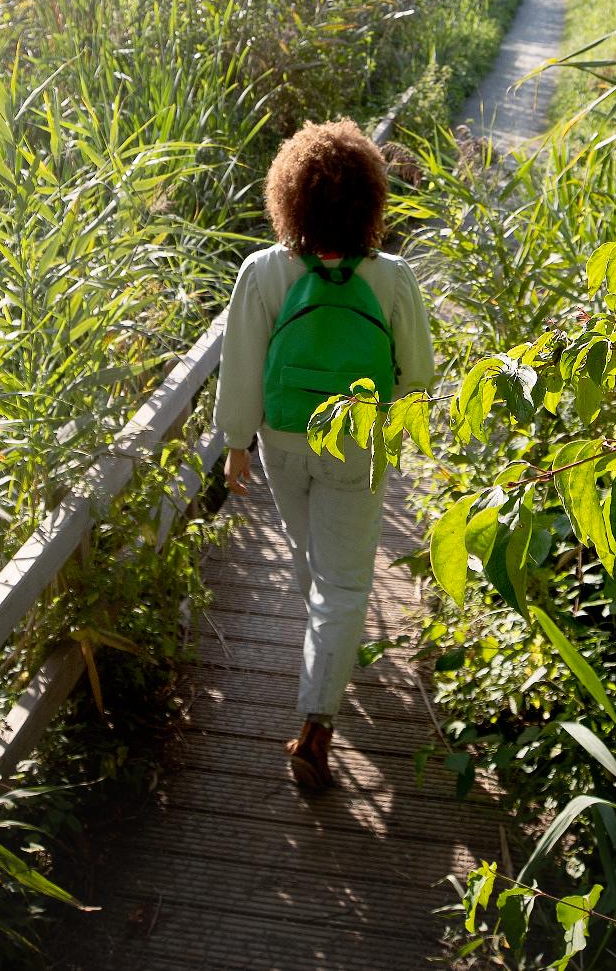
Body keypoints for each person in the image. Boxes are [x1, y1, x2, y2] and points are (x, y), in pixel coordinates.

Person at [213, 118, 435, 792]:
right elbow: (419, 374)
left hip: (281, 439)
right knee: (343, 582)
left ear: (289, 197)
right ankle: (316, 718)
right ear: (371, 199)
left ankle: (322, 680)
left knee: (314, 563)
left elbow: (240, 364)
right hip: (357, 439)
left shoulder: (263, 271)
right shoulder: (393, 278)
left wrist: (234, 443)